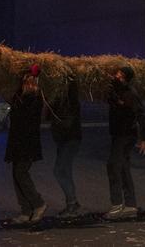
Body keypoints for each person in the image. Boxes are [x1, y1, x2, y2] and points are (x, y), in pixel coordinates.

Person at [103, 65, 145, 220]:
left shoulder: (130, 93)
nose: (117, 77)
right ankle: (130, 205)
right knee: (122, 168)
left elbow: (141, 115)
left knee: (113, 166)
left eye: (120, 75)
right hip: (119, 134)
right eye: (116, 73)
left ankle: (117, 205)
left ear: (126, 79)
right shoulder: (118, 92)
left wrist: (144, 139)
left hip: (125, 135)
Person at [5, 66, 46, 225]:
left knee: (21, 173)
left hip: (27, 142)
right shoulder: (19, 96)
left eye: (30, 82)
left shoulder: (35, 99)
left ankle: (38, 203)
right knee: (16, 174)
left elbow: (27, 120)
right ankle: (25, 210)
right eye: (25, 82)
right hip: (17, 141)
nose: (27, 85)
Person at [50, 73, 83, 218]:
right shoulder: (63, 100)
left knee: (59, 170)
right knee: (66, 171)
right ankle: (72, 204)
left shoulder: (71, 101)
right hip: (64, 140)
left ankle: (72, 203)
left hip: (70, 139)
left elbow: (67, 122)